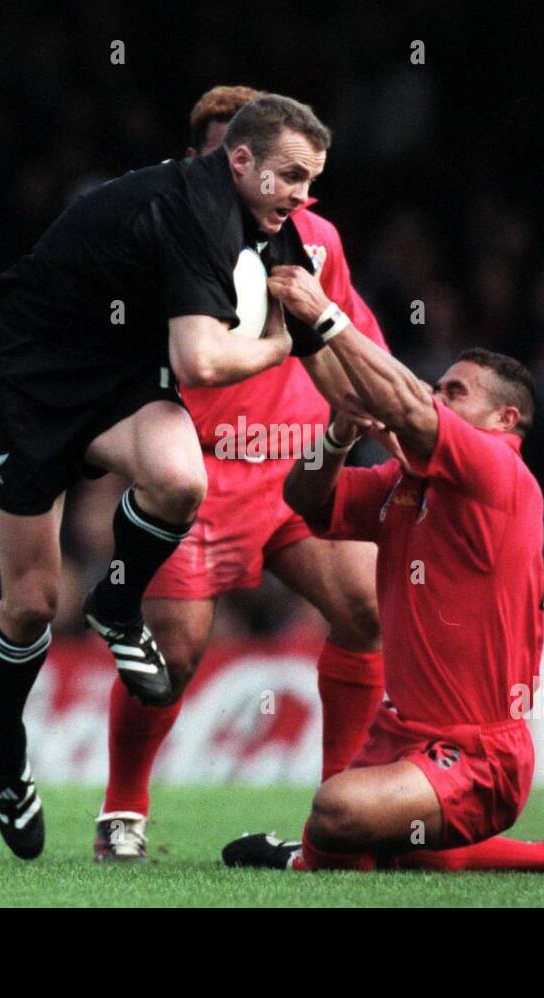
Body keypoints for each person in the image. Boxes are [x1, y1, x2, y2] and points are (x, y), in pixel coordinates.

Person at [0, 93, 332, 859]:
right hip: (27, 383)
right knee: (31, 601)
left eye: (311, 179)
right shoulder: (189, 211)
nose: (302, 194)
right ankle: (5, 754)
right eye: (291, 176)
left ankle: (117, 602)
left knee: (177, 478)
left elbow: (328, 328)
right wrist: (276, 346)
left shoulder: (267, 222)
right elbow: (201, 361)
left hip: (115, 380)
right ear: (240, 162)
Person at [223, 263, 544, 874]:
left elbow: (403, 404)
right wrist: (340, 431)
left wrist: (324, 314)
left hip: (479, 756)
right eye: (439, 386)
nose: (435, 395)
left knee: (337, 811)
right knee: (400, 846)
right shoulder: (407, 481)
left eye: (455, 391)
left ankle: (301, 861)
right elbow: (304, 499)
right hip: (402, 736)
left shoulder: (496, 472)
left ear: (504, 420)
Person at [94, 86, 388, 862]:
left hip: (293, 471)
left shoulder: (315, 236)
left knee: (365, 604)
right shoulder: (162, 235)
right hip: (196, 473)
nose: (262, 187)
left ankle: (343, 812)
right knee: (178, 652)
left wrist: (384, 405)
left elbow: (355, 328)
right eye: (230, 156)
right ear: (208, 158)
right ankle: (123, 808)